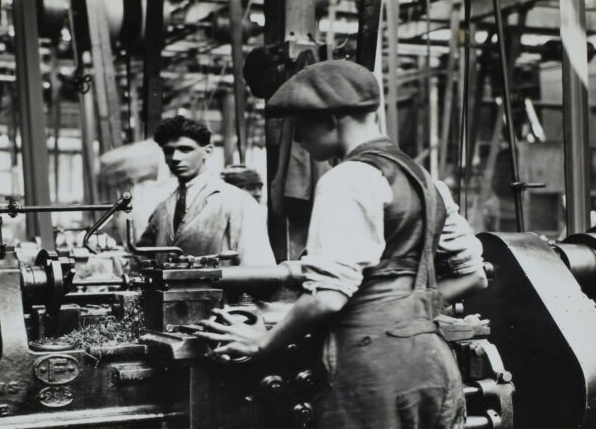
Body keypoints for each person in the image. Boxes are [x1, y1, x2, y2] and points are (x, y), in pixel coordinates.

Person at [196, 60, 486, 428]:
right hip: (433, 363)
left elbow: (327, 297)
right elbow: (474, 277)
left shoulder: (346, 179)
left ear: (332, 120)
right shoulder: (427, 181)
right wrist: (406, 310)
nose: (298, 139)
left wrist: (261, 343)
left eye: (301, 125)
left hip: (371, 371)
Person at [137, 115, 275, 266]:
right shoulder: (162, 209)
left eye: (185, 149)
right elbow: (141, 259)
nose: (175, 157)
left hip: (223, 290)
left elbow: (259, 269)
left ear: (207, 151)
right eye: (169, 151)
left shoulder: (236, 202)